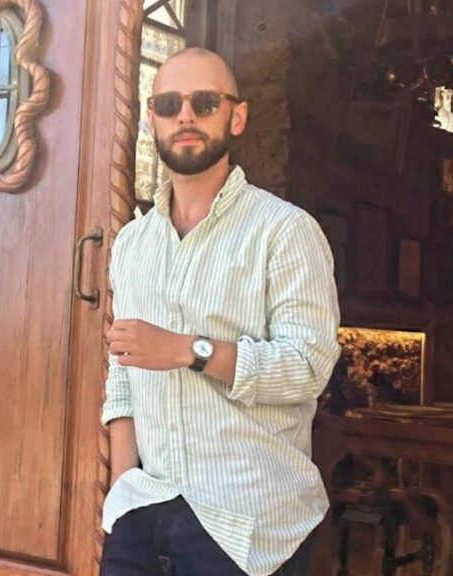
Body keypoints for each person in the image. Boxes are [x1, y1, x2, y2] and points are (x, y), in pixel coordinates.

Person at [100, 47, 341, 576]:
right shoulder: (133, 244)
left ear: (237, 116)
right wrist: (122, 492)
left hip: (246, 522)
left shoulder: (285, 231)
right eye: (169, 104)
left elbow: (308, 367)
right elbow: (122, 372)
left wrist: (189, 350)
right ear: (151, 119)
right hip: (142, 509)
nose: (185, 116)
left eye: (204, 102)